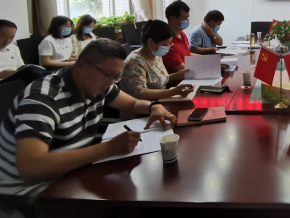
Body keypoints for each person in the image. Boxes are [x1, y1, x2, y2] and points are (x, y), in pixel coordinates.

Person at [0, 39, 176, 196]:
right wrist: (108, 149)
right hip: (28, 193)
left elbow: (133, 104)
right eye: (107, 74)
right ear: (81, 65)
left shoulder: (99, 85)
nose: (110, 82)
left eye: (116, 77)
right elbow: (30, 168)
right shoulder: (43, 99)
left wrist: (154, 107)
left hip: (72, 173)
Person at [119, 20, 193, 101]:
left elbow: (159, 80)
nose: (168, 47)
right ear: (150, 42)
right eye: (165, 44)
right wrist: (173, 92)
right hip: (145, 106)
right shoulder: (134, 63)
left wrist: (177, 75)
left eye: (169, 44)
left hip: (162, 100)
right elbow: (141, 93)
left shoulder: (156, 55)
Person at [0, 19, 45, 85]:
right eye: (4, 36)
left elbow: (21, 67)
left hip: (16, 80)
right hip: (2, 82)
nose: (7, 41)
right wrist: (1, 75)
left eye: (11, 37)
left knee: (33, 71)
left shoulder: (14, 48)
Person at [162, 0, 193, 74]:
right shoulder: (167, 42)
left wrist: (209, 60)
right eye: (185, 18)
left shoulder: (181, 33)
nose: (187, 20)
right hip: (180, 79)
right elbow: (183, 69)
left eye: (188, 17)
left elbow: (187, 54)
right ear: (172, 18)